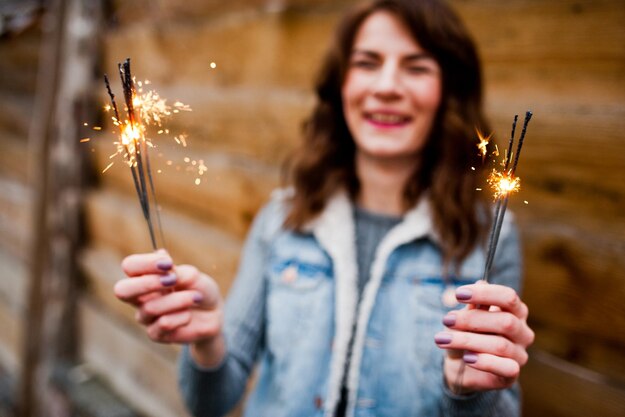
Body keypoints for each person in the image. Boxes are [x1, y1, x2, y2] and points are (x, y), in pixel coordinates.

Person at [114, 0, 535, 416]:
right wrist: (205, 342)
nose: (387, 86)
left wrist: (466, 394)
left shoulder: (490, 236)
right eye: (367, 63)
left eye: (416, 67)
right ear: (341, 83)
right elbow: (210, 401)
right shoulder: (281, 220)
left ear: (449, 91)